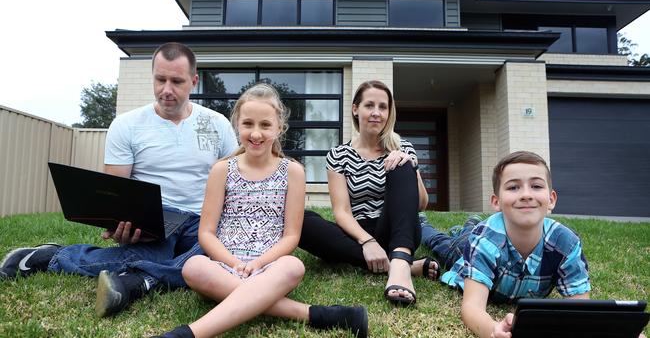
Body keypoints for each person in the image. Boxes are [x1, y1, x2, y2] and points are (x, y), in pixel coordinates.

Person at [0, 42, 238, 318]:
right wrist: (118, 223)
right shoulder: (127, 125)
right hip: (158, 216)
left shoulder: (217, 124)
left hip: (203, 218)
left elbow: (233, 182)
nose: (167, 90)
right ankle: (51, 257)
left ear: (194, 81)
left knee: (215, 252)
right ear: (153, 76)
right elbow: (115, 193)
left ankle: (138, 281)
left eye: (177, 81)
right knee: (165, 256)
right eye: (160, 79)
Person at [155, 83, 367, 338]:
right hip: (223, 266)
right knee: (193, 266)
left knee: (294, 266)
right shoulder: (222, 170)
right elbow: (207, 233)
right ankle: (318, 314)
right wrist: (234, 263)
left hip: (270, 268)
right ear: (237, 125)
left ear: (279, 128)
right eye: (248, 124)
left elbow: (291, 236)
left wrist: (258, 263)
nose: (256, 133)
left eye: (265, 125)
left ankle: (187, 334)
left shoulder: (293, 172)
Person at [420, 151, 595, 338]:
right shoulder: (485, 241)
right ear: (497, 202)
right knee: (443, 245)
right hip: (468, 248)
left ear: (551, 199)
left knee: (464, 236)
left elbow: (580, 311)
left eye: (536, 186)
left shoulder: (566, 245)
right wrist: (492, 330)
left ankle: (468, 226)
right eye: (513, 188)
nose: (526, 195)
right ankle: (423, 224)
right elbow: (471, 307)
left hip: (489, 235)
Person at [299, 80, 437, 306]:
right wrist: (367, 242)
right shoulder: (339, 155)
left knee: (400, 164)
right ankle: (404, 266)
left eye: (383, 107)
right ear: (355, 109)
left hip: (396, 230)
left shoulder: (402, 147)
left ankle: (400, 262)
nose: (376, 113)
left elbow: (421, 204)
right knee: (302, 221)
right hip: (358, 234)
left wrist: (411, 166)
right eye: (369, 105)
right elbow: (341, 212)